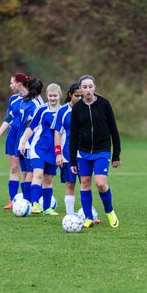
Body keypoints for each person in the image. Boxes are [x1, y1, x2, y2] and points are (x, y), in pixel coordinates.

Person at [70, 74, 121, 228]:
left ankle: (109, 211)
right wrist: (72, 160)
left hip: (102, 149)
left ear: (95, 87)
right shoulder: (77, 108)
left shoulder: (104, 104)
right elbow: (73, 135)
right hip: (83, 151)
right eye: (84, 87)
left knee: (100, 183)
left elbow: (114, 130)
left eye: (90, 87)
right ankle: (88, 217)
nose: (87, 90)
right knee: (84, 184)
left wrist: (116, 154)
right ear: (80, 89)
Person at [19, 83, 62, 215]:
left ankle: (47, 208)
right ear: (46, 96)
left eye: (55, 95)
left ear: (59, 95)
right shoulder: (41, 110)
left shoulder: (63, 111)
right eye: (50, 96)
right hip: (38, 148)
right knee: (37, 175)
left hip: (53, 151)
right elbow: (31, 127)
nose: (53, 98)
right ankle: (35, 204)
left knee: (48, 180)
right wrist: (22, 142)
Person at [0, 73, 29, 209]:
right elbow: (8, 119)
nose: (11, 85)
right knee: (14, 168)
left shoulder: (34, 99)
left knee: (26, 170)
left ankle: (27, 200)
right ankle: (12, 200)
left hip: (27, 136)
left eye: (12, 83)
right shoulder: (13, 99)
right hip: (13, 136)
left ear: (19, 83)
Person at [54, 83, 83, 214]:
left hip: (84, 153)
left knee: (85, 184)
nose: (80, 98)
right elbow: (57, 133)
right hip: (67, 154)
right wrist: (58, 154)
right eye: (77, 96)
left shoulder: (87, 108)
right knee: (70, 184)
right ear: (70, 95)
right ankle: (70, 214)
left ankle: (87, 213)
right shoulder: (63, 111)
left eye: (82, 96)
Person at [16, 78, 44, 203]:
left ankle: (26, 201)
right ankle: (29, 201)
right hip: (30, 141)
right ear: (41, 90)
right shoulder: (36, 105)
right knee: (31, 173)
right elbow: (33, 124)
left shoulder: (24, 101)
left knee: (26, 172)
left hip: (21, 139)